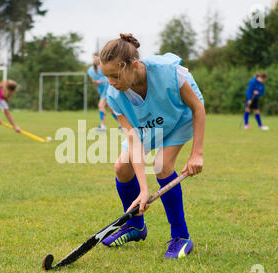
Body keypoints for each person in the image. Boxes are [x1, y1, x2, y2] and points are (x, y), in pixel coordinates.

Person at [99, 33, 205, 259]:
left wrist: (197, 153)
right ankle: (136, 226)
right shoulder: (114, 95)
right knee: (121, 168)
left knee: (162, 166)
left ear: (134, 66)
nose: (111, 82)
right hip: (146, 127)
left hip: (178, 120)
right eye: (107, 76)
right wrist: (144, 189)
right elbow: (133, 140)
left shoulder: (170, 72)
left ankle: (181, 236)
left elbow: (197, 108)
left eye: (115, 75)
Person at [87, 53, 119, 131]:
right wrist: (95, 82)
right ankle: (122, 124)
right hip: (101, 90)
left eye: (97, 58)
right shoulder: (91, 70)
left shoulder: (105, 66)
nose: (95, 60)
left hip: (108, 88)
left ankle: (102, 125)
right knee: (111, 109)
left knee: (100, 105)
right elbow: (93, 80)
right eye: (94, 58)